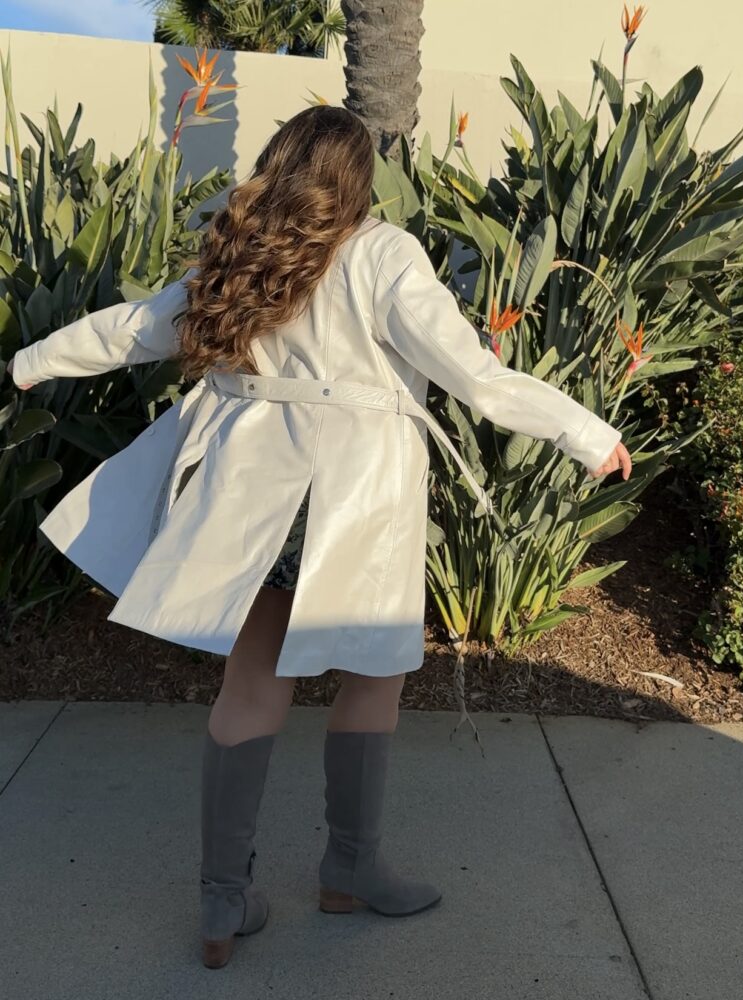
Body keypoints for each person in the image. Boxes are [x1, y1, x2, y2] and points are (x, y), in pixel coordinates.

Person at [7, 104, 632, 970]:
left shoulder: (240, 250)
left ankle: (223, 902)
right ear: (357, 179)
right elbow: (475, 375)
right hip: (354, 503)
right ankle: (349, 869)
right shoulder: (382, 253)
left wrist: (28, 362)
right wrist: (587, 433)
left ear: (278, 163)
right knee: (373, 682)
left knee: (250, 689)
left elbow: (131, 330)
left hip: (255, 504)